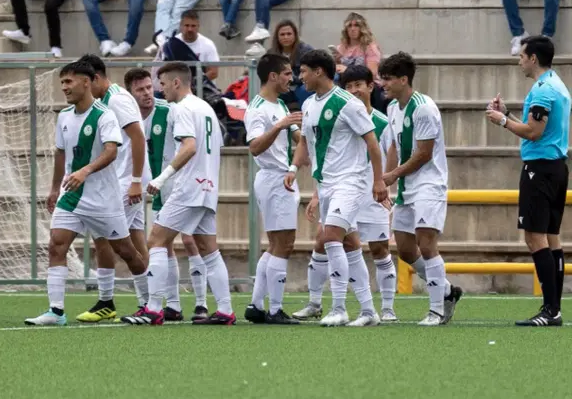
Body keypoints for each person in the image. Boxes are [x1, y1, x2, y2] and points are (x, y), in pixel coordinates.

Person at [24, 60, 147, 326]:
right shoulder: (64, 116)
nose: (65, 87)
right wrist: (55, 187)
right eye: (62, 83)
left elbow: (111, 151)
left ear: (86, 82)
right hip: (71, 196)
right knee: (56, 244)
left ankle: (149, 304)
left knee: (126, 251)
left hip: (103, 198)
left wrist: (85, 171)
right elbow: (60, 153)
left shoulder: (105, 114)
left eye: (69, 82)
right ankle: (55, 311)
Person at [123, 61, 235, 326]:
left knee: (156, 241)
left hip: (189, 187)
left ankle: (153, 308)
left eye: (161, 84)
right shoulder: (205, 107)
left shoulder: (182, 108)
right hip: (208, 186)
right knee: (208, 248)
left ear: (176, 82)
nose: (160, 91)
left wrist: (162, 178)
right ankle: (225, 310)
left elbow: (189, 146)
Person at [284, 50, 388, 327]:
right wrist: (293, 169)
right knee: (351, 244)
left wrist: (378, 181)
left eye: (304, 71)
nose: (300, 77)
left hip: (350, 182)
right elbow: (305, 142)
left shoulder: (347, 103)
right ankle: (368, 312)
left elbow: (373, 145)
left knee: (330, 237)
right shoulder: (308, 105)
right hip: (327, 183)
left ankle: (339, 307)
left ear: (319, 72)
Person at [486, 36, 570, 326]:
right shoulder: (555, 84)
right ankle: (554, 308)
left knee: (535, 237)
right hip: (556, 167)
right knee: (551, 236)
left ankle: (550, 309)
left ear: (533, 58)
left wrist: (501, 120)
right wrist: (508, 113)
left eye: (522, 56)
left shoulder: (544, 91)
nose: (519, 60)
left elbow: (533, 132)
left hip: (540, 168)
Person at [379, 52, 462, 326]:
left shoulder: (424, 107)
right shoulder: (392, 108)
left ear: (404, 79)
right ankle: (448, 291)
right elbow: (393, 145)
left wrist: (392, 175)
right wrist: (385, 179)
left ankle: (437, 309)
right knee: (404, 249)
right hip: (406, 185)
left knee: (426, 244)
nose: (384, 84)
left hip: (429, 184)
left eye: (388, 79)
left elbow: (424, 153)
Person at [70, 54, 149, 323]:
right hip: (126, 179)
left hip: (127, 181)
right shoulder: (107, 99)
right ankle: (152, 302)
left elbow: (138, 136)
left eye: (84, 82)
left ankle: (107, 302)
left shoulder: (116, 99)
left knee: (106, 239)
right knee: (136, 242)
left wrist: (136, 180)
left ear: (95, 79)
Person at [243, 54, 302, 324]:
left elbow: (294, 137)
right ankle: (276, 309)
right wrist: (280, 126)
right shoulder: (258, 108)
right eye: (287, 74)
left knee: (276, 245)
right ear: (273, 76)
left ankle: (256, 305)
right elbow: (254, 146)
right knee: (284, 244)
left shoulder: (277, 104)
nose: (292, 78)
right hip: (273, 178)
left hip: (279, 178)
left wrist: (301, 132)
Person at [330, 12, 387, 112]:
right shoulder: (342, 47)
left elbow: (372, 73)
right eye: (350, 26)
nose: (352, 29)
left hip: (368, 87)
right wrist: (338, 61)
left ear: (362, 28)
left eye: (356, 25)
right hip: (346, 85)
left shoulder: (370, 47)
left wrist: (347, 69)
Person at [267, 19, 313, 108]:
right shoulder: (271, 53)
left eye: (289, 34)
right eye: (282, 34)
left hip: (300, 86)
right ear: (277, 37)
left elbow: (309, 74)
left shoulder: (306, 50)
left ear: (295, 35)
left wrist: (290, 77)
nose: (286, 37)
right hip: (281, 87)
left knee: (305, 90)